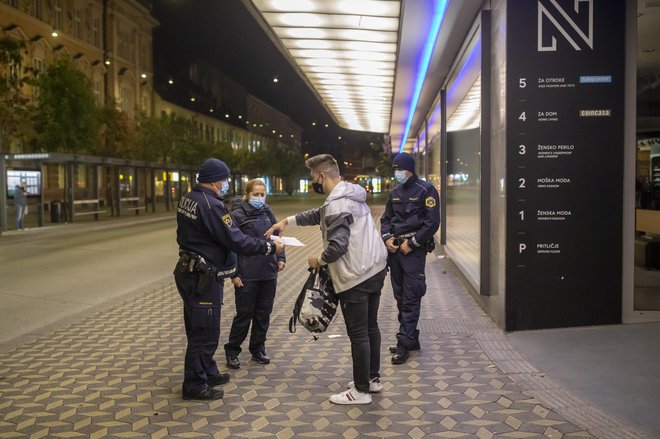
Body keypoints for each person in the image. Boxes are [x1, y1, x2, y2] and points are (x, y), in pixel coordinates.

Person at [266, 154, 387, 405]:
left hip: (355, 275)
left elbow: (337, 247)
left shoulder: (336, 204)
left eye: (313, 178)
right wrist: (287, 221)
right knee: (371, 327)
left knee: (358, 333)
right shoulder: (350, 195)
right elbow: (318, 214)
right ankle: (372, 379)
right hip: (374, 268)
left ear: (322, 176)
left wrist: (318, 260)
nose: (313, 182)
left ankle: (361, 391)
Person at [174, 158, 283, 401]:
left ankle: (208, 371)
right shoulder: (212, 205)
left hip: (190, 271)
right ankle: (194, 385)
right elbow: (236, 239)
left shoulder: (189, 198)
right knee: (205, 332)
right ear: (215, 180)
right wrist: (268, 248)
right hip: (202, 276)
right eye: (224, 180)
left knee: (198, 326)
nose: (225, 184)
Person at [380, 152, 440, 365]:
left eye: (400, 170)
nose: (397, 174)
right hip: (395, 251)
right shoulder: (394, 191)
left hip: (413, 252)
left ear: (410, 170)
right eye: (395, 170)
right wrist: (387, 238)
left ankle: (403, 344)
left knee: (412, 296)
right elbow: (386, 219)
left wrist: (412, 243)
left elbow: (432, 223)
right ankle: (411, 338)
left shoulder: (426, 190)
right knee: (400, 297)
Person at [224, 179, 286, 369]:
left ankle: (258, 348)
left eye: (262, 194)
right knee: (244, 314)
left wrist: (281, 257)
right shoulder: (236, 215)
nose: (260, 198)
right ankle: (232, 350)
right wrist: (234, 274)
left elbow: (277, 236)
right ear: (247, 195)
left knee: (263, 314)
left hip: (268, 272)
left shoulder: (267, 211)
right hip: (246, 273)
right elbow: (231, 246)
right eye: (255, 194)